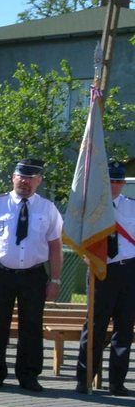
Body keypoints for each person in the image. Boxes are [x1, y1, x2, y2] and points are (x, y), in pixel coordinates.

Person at [0, 158, 63, 392]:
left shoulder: (48, 208)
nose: (25, 181)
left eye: (31, 177)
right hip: (1, 274)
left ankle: (29, 375)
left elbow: (55, 246)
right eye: (21, 176)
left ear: (39, 181)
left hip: (33, 275)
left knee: (32, 326)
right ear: (13, 178)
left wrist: (55, 280)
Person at [74, 161, 135, 395]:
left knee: (124, 328)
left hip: (128, 271)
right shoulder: (90, 209)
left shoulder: (131, 207)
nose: (115, 186)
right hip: (101, 271)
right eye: (111, 181)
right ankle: (84, 378)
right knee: (94, 326)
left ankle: (116, 382)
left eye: (119, 181)